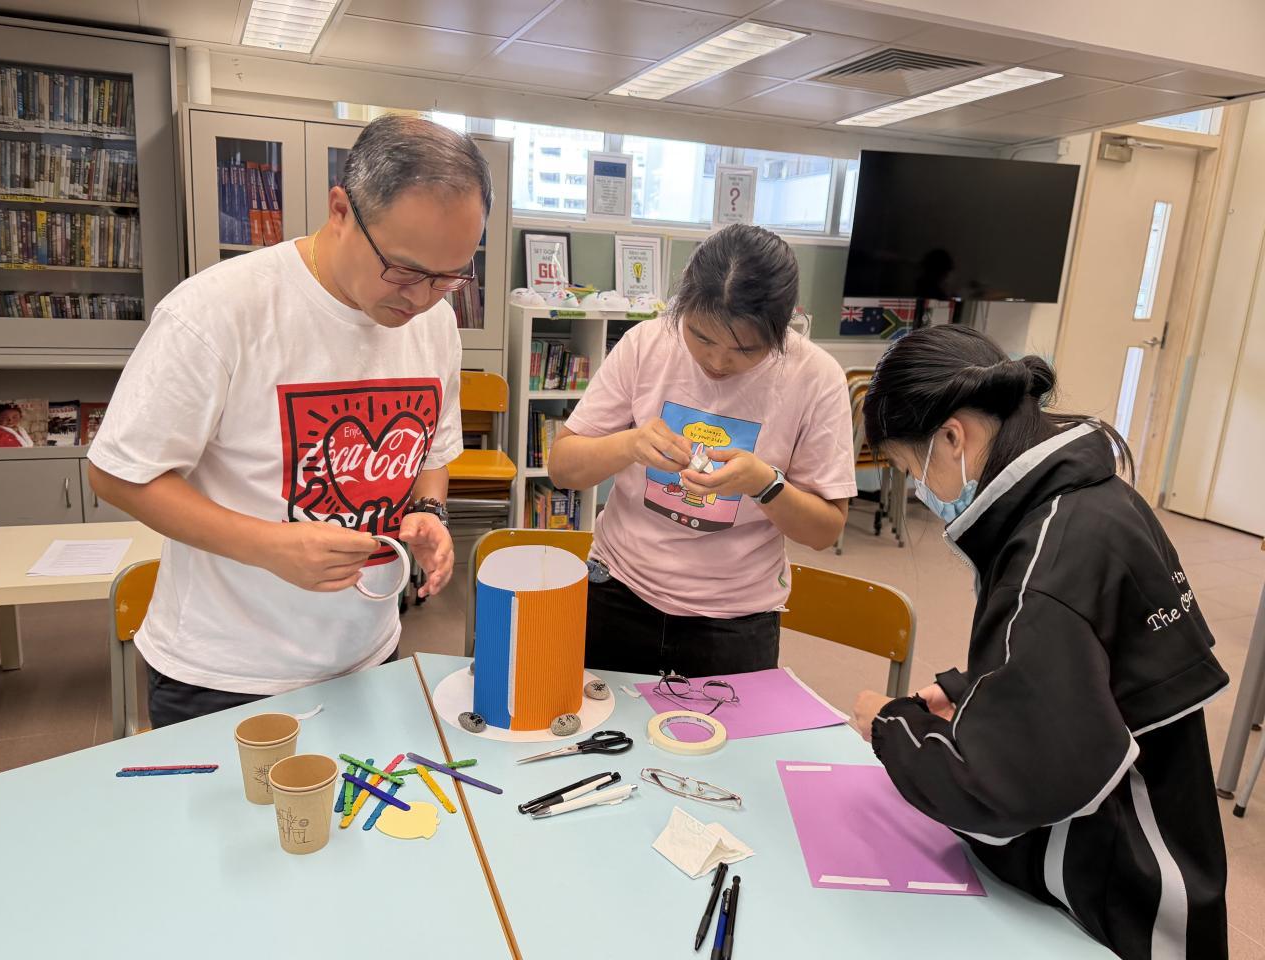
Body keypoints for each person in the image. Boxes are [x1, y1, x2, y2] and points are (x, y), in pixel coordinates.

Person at [89, 116, 491, 727]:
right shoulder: (219, 310)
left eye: (448, 277)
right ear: (341, 211)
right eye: (406, 271)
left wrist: (430, 511)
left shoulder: (434, 323)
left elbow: (432, 451)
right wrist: (272, 546)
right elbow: (118, 475)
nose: (420, 298)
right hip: (227, 673)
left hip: (368, 652)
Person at [850, 326, 1228, 960]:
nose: (921, 490)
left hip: (1123, 896)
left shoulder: (1047, 558)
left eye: (913, 469)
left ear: (952, 438)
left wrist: (892, 726)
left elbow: (1003, 790)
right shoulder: (1097, 500)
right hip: (1172, 839)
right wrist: (971, 690)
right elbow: (1085, 668)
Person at [548, 223, 856, 678]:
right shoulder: (647, 343)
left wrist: (764, 484)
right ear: (682, 306)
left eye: (745, 349)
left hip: (736, 618)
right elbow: (562, 468)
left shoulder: (816, 377)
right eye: (702, 337)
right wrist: (630, 444)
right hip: (618, 587)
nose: (717, 361)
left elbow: (824, 530)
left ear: (783, 329)